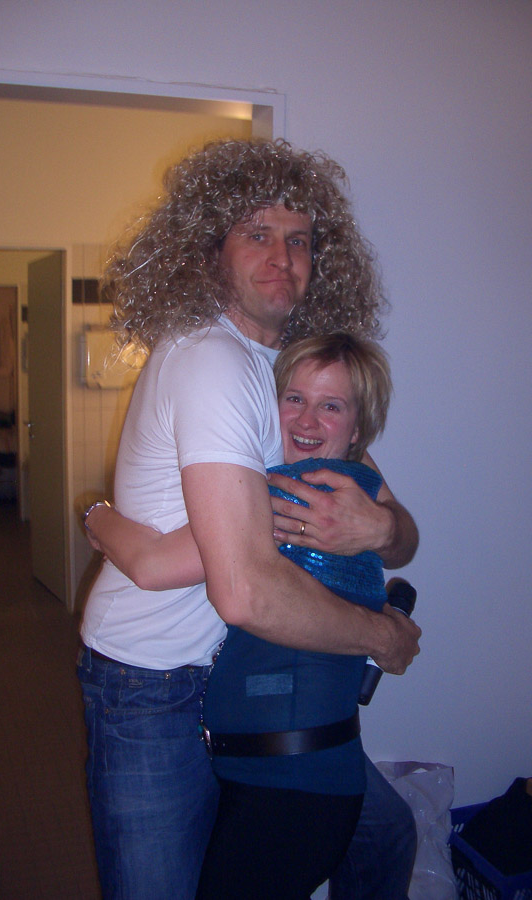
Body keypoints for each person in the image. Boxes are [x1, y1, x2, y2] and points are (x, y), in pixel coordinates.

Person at [78, 138, 421, 900]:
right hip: (154, 682)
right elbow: (238, 588)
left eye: (299, 240)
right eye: (257, 233)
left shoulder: (282, 370)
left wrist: (381, 529)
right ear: (210, 251)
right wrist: (381, 636)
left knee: (383, 833)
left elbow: (393, 521)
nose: (282, 257)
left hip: (236, 671)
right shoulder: (215, 362)